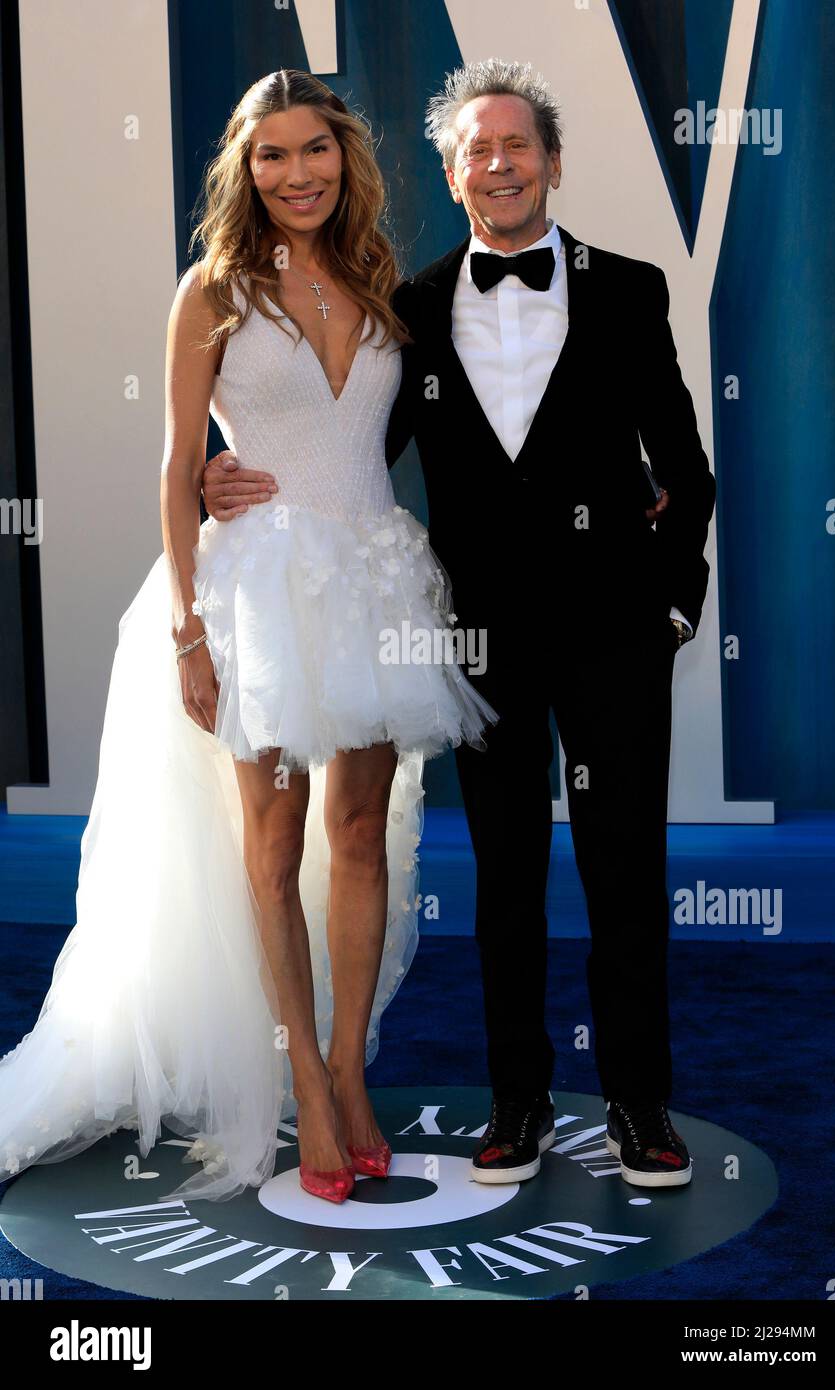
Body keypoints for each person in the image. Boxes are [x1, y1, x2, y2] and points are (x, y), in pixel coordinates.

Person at [203, 59, 717, 1190]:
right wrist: (226, 484)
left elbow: (682, 465)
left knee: (625, 868)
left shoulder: (629, 289)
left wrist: (674, 606)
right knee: (503, 873)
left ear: (551, 161)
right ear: (450, 170)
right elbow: (348, 463)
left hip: (616, 632)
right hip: (476, 641)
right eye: (476, 149)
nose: (498, 164)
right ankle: (517, 1103)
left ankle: (639, 1106)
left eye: (516, 145)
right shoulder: (410, 309)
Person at [0, 69, 496, 1207]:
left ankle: (348, 1072)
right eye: (269, 156)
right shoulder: (212, 290)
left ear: (344, 157)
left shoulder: (380, 282)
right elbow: (178, 469)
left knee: (361, 834)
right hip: (254, 595)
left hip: (372, 579)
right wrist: (188, 628)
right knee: (270, 854)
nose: (295, 173)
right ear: (244, 167)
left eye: (312, 149)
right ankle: (305, 1098)